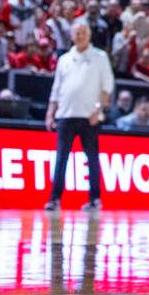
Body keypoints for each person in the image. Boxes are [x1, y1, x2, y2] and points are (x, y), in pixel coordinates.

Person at [44, 21, 114, 212]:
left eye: (84, 32)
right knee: (61, 159)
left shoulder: (100, 57)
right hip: (65, 115)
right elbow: (56, 89)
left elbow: (107, 87)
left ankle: (94, 199)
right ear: (72, 36)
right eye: (77, 32)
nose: (81, 35)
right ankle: (55, 199)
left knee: (92, 159)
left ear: (89, 35)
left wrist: (98, 110)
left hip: (89, 116)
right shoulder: (64, 59)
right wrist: (50, 113)